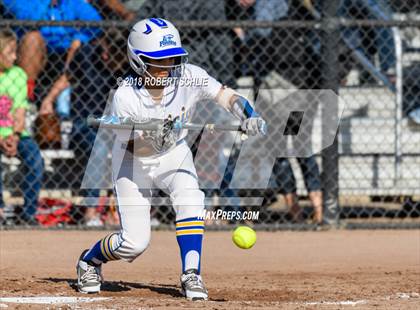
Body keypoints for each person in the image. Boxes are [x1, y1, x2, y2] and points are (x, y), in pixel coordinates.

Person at [75, 18, 267, 300]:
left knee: (192, 198)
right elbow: (133, 146)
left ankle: (192, 273)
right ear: (138, 61)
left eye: (171, 58)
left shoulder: (189, 75)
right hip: (133, 161)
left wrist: (247, 115)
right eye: (158, 61)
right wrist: (154, 136)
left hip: (173, 154)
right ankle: (89, 261)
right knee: (134, 243)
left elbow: (226, 96)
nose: (167, 67)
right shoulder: (125, 96)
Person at [68, 29, 127, 226]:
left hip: (116, 126)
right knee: (99, 148)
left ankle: (125, 211)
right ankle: (91, 212)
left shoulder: (130, 71)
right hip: (85, 123)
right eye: (105, 50)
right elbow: (66, 78)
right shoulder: (86, 55)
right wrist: (49, 100)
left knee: (134, 147)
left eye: (113, 55)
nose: (105, 56)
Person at [2, 0, 102, 112]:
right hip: (34, 52)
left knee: (78, 47)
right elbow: (28, 17)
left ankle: (64, 111)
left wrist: (79, 38)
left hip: (66, 52)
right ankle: (26, 101)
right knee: (32, 38)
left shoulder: (69, 2)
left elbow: (96, 22)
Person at [0, 29, 44, 225]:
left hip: (16, 133)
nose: (16, 56)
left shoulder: (18, 74)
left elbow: (19, 111)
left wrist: (15, 137)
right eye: (10, 52)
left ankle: (28, 213)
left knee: (35, 159)